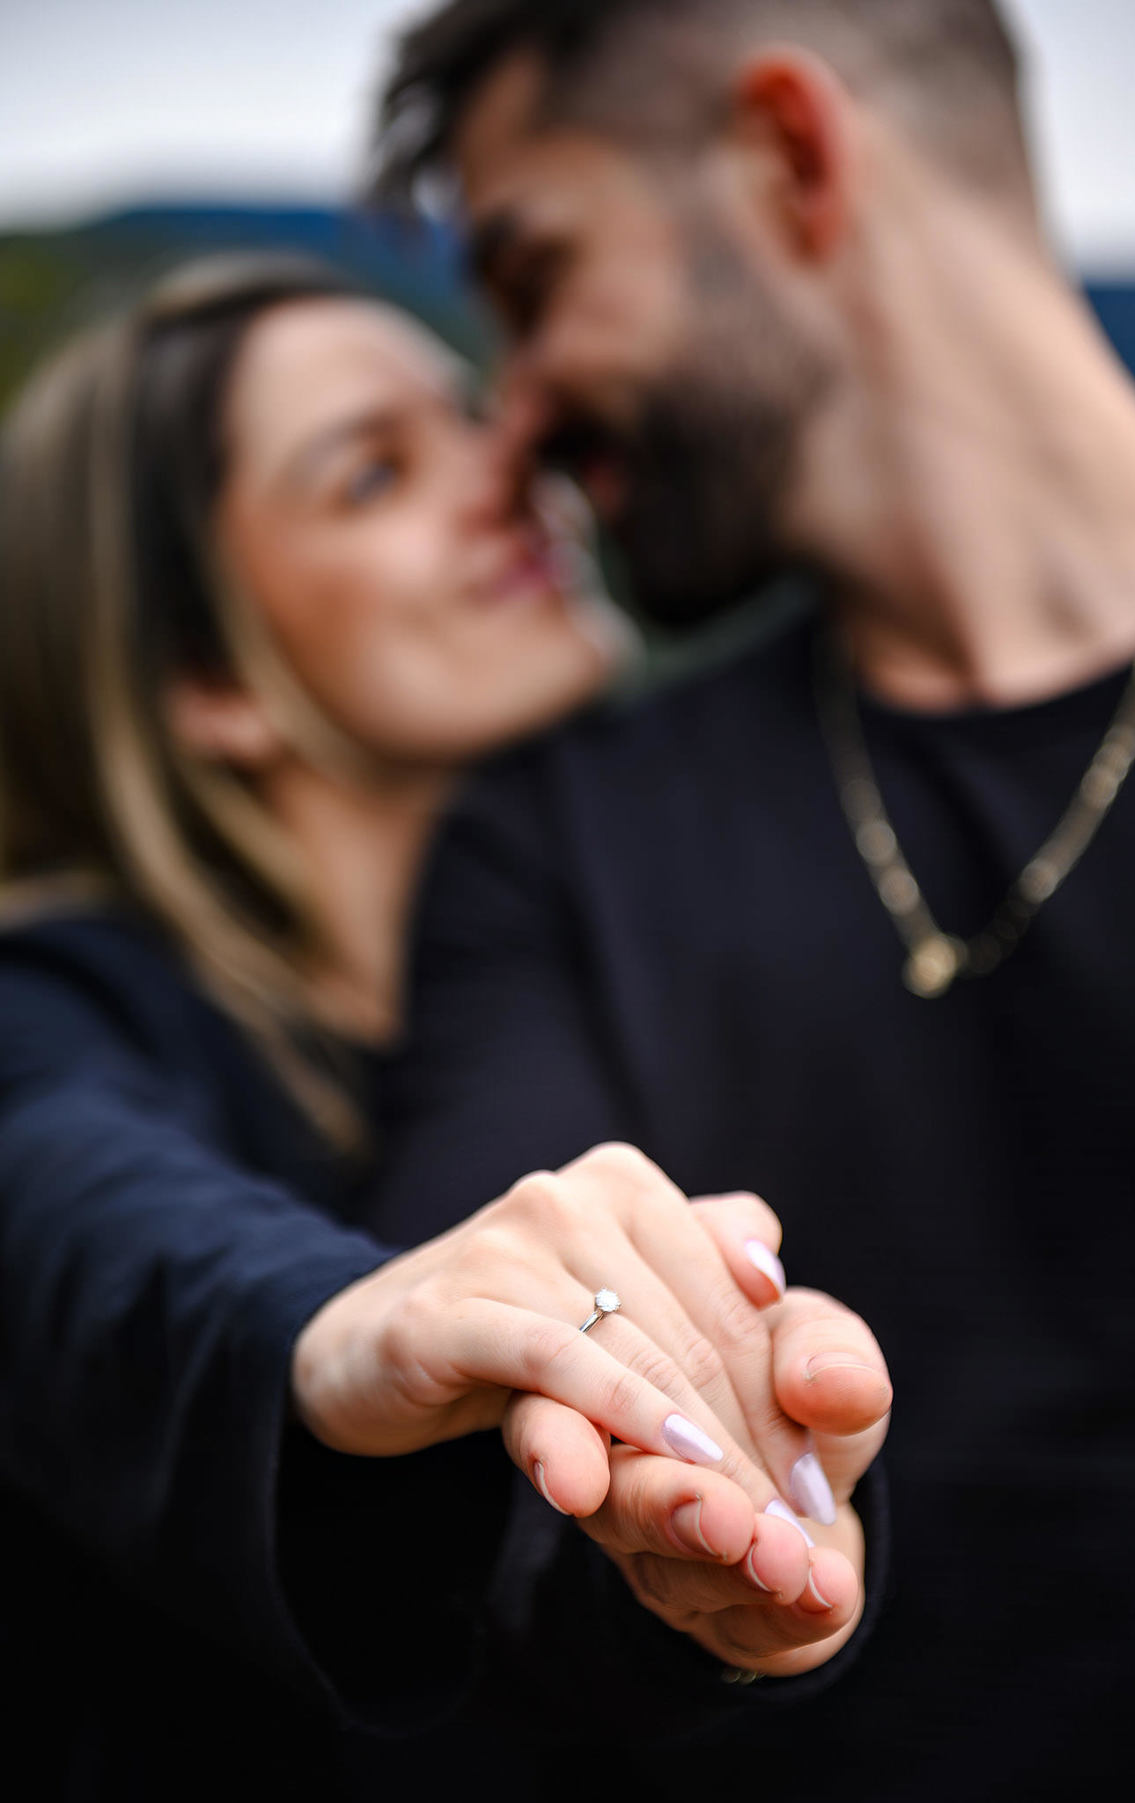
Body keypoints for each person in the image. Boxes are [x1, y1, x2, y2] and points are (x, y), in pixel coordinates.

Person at [365, 0, 1135, 1792]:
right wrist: (683, 1563)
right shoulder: (559, 839)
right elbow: (495, 1456)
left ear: (792, 158)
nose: (512, 427)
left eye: (534, 274)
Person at [0, 254, 892, 1798]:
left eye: (472, 414)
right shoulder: (61, 1007)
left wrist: (734, 1557)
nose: (512, 473)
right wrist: (340, 1327)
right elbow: (74, 1223)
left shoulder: (615, 977)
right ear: (213, 679)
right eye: (376, 471)